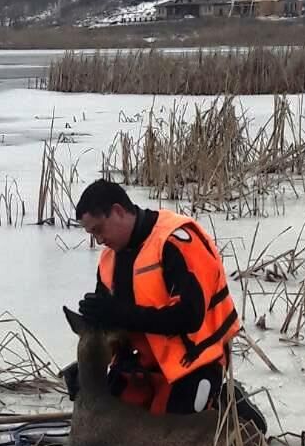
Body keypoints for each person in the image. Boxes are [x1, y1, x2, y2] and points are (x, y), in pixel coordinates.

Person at [66, 179, 266, 432]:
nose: (98, 240)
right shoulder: (109, 258)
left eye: (98, 230)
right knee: (111, 429)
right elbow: (112, 331)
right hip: (141, 363)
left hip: (193, 361)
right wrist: (87, 368)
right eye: (92, 234)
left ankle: (227, 401)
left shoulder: (177, 242)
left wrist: (121, 314)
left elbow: (189, 317)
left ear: (117, 211)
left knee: (174, 434)